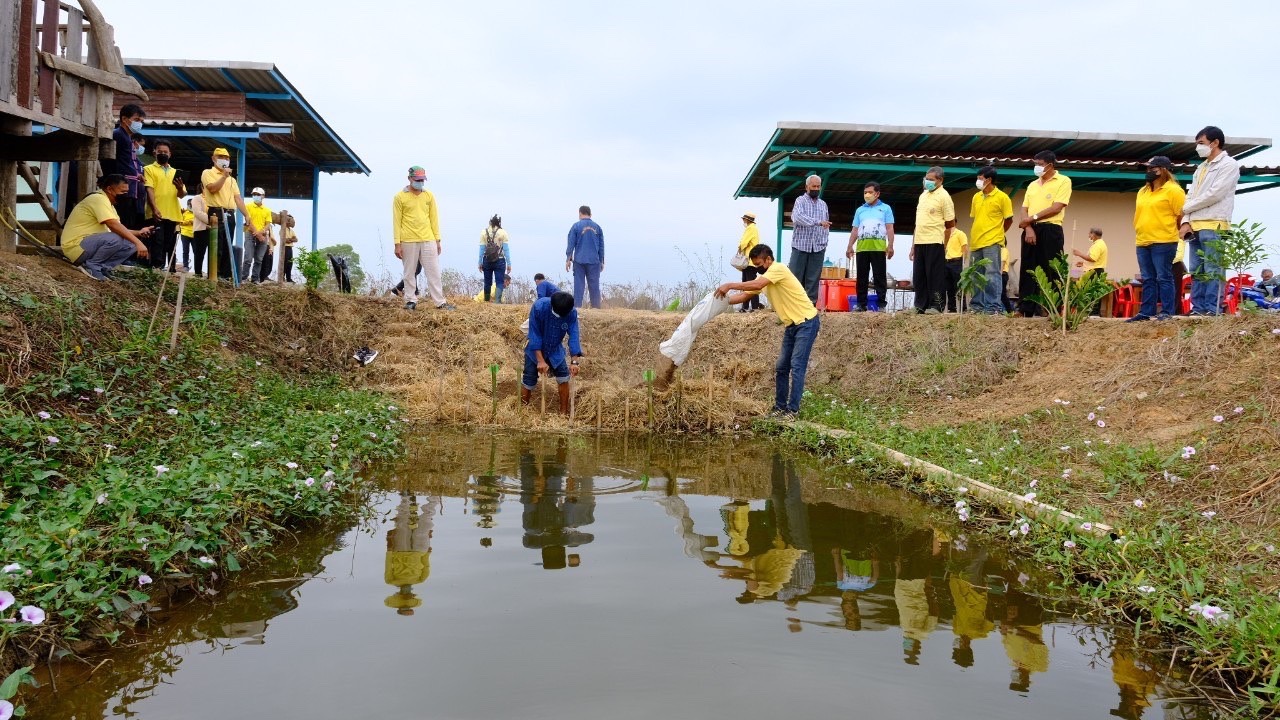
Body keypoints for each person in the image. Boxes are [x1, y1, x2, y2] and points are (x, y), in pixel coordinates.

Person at [715, 244, 819, 418]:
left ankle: (793, 411)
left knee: (797, 366)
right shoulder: (766, 278)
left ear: (768, 260)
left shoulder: (778, 269)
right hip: (791, 325)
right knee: (781, 367)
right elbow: (744, 296)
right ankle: (779, 407)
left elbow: (757, 283)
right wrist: (718, 303)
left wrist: (729, 284)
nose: (757, 269)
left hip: (806, 322)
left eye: (759, 265)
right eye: (755, 265)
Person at [1182, 126, 1240, 315]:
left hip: (1215, 223)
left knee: (1213, 268)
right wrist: (1185, 220)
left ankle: (1212, 309)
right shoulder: (1201, 168)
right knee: (1197, 270)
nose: (1198, 147)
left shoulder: (1229, 165)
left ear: (1215, 143)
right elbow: (1190, 195)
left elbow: (1215, 194)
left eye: (1201, 143)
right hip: (1195, 225)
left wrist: (1185, 209)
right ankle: (1197, 309)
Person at [60, 174, 154, 280]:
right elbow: (113, 225)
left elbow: (119, 229)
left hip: (90, 245)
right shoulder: (98, 199)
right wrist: (139, 243)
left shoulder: (109, 204)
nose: (125, 195)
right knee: (117, 238)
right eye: (122, 192)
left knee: (130, 243)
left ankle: (103, 268)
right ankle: (92, 266)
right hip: (76, 247)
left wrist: (139, 232)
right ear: (109, 189)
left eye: (127, 192)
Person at [1129, 156, 1185, 322]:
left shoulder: (1174, 190)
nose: (1148, 172)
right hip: (1142, 240)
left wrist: (1176, 234)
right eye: (1146, 169)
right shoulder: (1143, 191)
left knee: (1164, 276)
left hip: (1164, 240)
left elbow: (1180, 216)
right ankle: (1146, 312)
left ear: (1163, 170)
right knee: (1148, 278)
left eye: (1152, 168)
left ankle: (1167, 311)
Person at [1018, 151, 1073, 316]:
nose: (1037, 167)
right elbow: (1023, 208)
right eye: (1035, 164)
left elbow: (1057, 207)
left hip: (1050, 228)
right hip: (1030, 228)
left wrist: (1031, 219)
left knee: (1051, 269)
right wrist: (1028, 226)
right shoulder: (1032, 185)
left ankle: (1052, 309)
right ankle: (1025, 308)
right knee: (1028, 268)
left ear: (1050, 164)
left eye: (1040, 164)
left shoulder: (1063, 181)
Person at [392, 166, 452, 311]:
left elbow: (434, 219)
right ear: (410, 179)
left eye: (422, 180)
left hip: (428, 238)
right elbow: (396, 221)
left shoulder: (429, 196)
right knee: (409, 272)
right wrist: (397, 243)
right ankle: (411, 300)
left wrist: (437, 240)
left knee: (434, 271)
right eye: (417, 180)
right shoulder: (399, 197)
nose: (420, 183)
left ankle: (440, 302)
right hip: (408, 239)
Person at [521, 291, 584, 414]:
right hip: (535, 350)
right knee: (528, 379)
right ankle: (523, 412)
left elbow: (574, 336)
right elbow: (534, 335)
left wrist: (575, 362)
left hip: (555, 348)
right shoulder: (539, 307)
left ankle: (563, 414)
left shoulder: (572, 313)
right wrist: (540, 360)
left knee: (564, 378)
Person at [201, 148, 258, 282]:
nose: (224, 160)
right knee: (217, 244)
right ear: (214, 158)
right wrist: (223, 177)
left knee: (227, 243)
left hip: (230, 213)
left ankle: (225, 275)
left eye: (227, 158)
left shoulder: (232, 180)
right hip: (216, 211)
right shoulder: (208, 173)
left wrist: (246, 214)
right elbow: (213, 189)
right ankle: (214, 274)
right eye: (221, 157)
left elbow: (238, 198)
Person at [383, 491, 439, 616]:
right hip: (420, 550)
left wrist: (389, 548)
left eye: (404, 602)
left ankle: (406, 496)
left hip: (399, 550)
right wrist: (428, 551)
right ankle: (435, 495)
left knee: (402, 521)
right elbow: (426, 565)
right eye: (409, 600)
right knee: (426, 521)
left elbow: (388, 565)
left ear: (399, 596)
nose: (407, 596)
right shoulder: (421, 579)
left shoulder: (390, 581)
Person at [969, 166, 1014, 314]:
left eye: (980, 178)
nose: (978, 181)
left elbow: (1009, 219)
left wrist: (999, 233)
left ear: (989, 180)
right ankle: (977, 306)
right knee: (975, 274)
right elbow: (976, 217)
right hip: (976, 242)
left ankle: (993, 307)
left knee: (992, 274)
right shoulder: (976, 197)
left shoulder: (1002, 197)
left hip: (992, 241)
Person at [845, 181, 894, 312]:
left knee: (879, 277)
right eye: (865, 192)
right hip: (862, 248)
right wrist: (849, 246)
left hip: (878, 247)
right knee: (862, 278)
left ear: (877, 194)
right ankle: (861, 304)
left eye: (870, 192)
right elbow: (855, 229)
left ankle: (881, 304)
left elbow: (889, 228)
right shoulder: (860, 210)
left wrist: (890, 245)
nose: (867, 195)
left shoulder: (886, 208)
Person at [912, 167, 954, 314]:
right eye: (926, 178)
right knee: (919, 275)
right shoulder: (923, 195)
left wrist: (945, 244)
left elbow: (950, 224)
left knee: (935, 275)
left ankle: (937, 305)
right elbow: (918, 223)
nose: (927, 182)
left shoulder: (944, 196)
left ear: (940, 180)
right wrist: (913, 245)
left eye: (931, 179)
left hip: (935, 240)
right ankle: (920, 305)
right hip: (920, 241)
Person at [142, 139, 184, 270]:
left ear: (170, 154)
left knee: (168, 242)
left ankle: (164, 268)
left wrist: (180, 188)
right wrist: (154, 208)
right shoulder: (148, 169)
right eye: (160, 151)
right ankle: (155, 266)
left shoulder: (175, 172)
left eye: (165, 152)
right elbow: (149, 189)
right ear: (154, 153)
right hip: (156, 212)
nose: (163, 154)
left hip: (173, 213)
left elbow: (181, 195)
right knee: (157, 241)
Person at [789, 175, 831, 305]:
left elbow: (826, 224)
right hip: (801, 246)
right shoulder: (800, 201)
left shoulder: (823, 204)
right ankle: (794, 304)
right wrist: (817, 222)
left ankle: (810, 306)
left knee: (813, 279)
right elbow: (797, 217)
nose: (816, 189)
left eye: (818, 186)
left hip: (818, 247)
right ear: (807, 186)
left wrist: (824, 242)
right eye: (814, 186)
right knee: (796, 277)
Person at [107, 104, 145, 230]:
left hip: (130, 187)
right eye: (136, 120)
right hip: (120, 188)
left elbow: (127, 162)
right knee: (123, 223)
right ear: (124, 119)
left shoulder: (127, 137)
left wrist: (137, 174)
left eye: (141, 121)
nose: (139, 124)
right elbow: (114, 162)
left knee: (129, 221)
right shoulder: (118, 135)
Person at [565, 206, 604, 309]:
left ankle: (577, 309)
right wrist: (602, 261)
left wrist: (568, 258)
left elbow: (571, 243)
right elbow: (601, 246)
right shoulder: (598, 227)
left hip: (579, 260)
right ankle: (596, 309)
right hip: (594, 261)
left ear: (580, 213)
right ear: (590, 214)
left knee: (579, 286)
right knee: (594, 286)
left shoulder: (576, 226)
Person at [241, 187, 274, 283]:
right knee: (248, 258)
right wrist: (257, 233)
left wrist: (261, 232)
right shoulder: (248, 206)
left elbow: (268, 223)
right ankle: (244, 278)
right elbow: (248, 221)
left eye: (258, 194)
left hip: (263, 235)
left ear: (263, 196)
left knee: (259, 259)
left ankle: (255, 279)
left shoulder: (267, 210)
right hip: (250, 233)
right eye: (254, 194)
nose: (255, 196)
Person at [479, 214, 511, 303]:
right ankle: (497, 302)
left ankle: (486, 301)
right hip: (500, 260)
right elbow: (506, 249)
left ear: (490, 222)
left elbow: (481, 249)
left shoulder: (484, 232)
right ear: (499, 223)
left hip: (487, 260)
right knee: (499, 282)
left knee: (487, 282)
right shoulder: (503, 232)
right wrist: (509, 264)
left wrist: (479, 262)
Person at [736, 212, 764, 312]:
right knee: (747, 284)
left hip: (749, 261)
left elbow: (744, 242)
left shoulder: (750, 228)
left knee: (749, 284)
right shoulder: (754, 228)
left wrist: (740, 247)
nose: (743, 221)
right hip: (751, 261)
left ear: (747, 220)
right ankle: (747, 306)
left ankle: (753, 306)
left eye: (744, 219)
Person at [944, 224, 968, 313]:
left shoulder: (960, 234)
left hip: (957, 261)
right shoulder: (945, 234)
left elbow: (965, 248)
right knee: (949, 287)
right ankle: (951, 308)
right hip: (946, 262)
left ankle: (963, 308)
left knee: (959, 286)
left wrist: (963, 262)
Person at [188, 187, 210, 277]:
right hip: (201, 229)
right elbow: (198, 213)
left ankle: (212, 273)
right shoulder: (197, 198)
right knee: (199, 252)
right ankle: (198, 272)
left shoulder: (213, 199)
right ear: (202, 187)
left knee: (214, 253)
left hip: (212, 229)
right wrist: (212, 221)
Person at [178, 198, 195, 272]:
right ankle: (185, 266)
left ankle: (197, 268)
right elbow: (180, 222)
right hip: (185, 234)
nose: (191, 206)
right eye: (190, 204)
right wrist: (188, 222)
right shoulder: (184, 213)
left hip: (194, 234)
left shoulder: (197, 213)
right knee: (185, 250)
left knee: (196, 251)